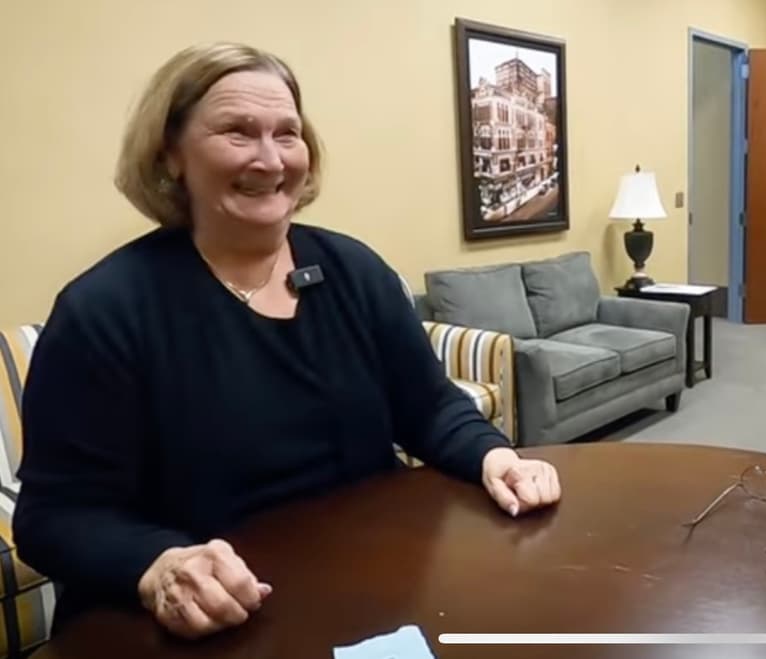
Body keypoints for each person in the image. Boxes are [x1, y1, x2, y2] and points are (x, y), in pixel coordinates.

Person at [12, 42, 562, 640]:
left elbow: (428, 407)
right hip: (207, 626)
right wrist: (159, 565)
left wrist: (493, 456)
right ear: (170, 153)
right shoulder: (104, 310)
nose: (270, 159)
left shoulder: (355, 271)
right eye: (238, 132)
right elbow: (53, 518)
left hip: (368, 596)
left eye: (287, 133)